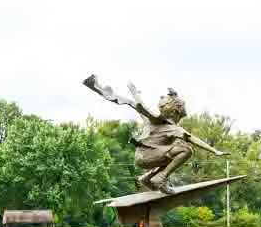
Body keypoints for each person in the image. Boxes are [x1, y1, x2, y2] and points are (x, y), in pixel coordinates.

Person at [83, 75, 226, 194]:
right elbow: (192, 139)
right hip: (149, 156)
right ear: (176, 113)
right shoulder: (169, 126)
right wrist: (214, 151)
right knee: (186, 149)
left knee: (174, 152)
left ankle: (147, 179)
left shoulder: (151, 120)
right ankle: (161, 177)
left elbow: (132, 104)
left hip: (142, 157)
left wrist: (97, 87)